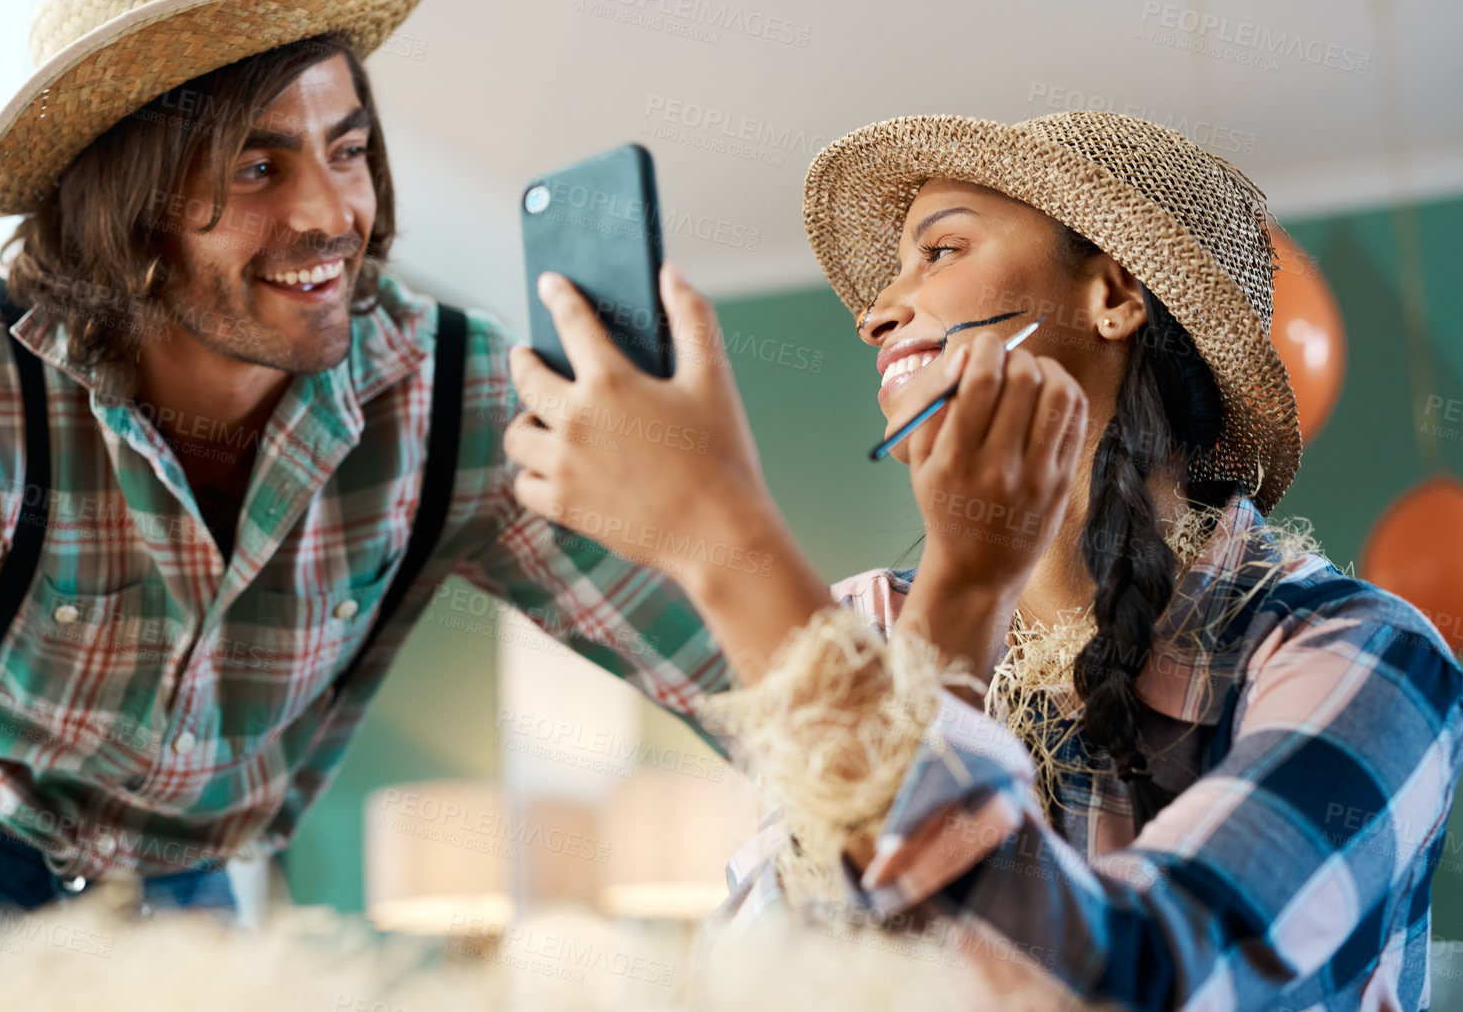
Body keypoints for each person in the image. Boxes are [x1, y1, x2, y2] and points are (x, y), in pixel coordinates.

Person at [0, 0, 735, 1012]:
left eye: (346, 149)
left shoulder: (456, 398)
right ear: (123, 201)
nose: (331, 214)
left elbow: (737, 669)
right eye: (256, 165)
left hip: (189, 921)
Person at [505, 110, 1463, 1010]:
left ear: (1114, 294)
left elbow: (1124, 986)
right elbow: (791, 983)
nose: (874, 313)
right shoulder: (864, 624)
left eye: (940, 250)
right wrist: (950, 618)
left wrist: (723, 539)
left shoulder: (1363, 656)